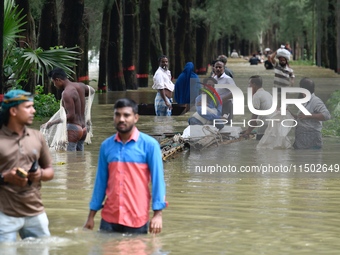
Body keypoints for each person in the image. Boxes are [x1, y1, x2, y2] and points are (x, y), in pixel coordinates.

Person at [83, 98, 167, 234]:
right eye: (117, 115)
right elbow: (100, 182)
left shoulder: (150, 145)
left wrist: (158, 215)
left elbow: (158, 181)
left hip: (136, 218)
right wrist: (91, 216)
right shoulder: (106, 146)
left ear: (136, 118)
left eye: (126, 115)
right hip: (109, 218)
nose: (121, 119)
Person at [0, 90, 54, 242]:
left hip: (35, 212)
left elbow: (50, 171)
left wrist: (40, 175)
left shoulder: (37, 137)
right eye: (28, 107)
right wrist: (5, 177)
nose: (33, 111)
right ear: (13, 111)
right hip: (4, 214)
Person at [41, 68, 95, 151]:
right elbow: (92, 90)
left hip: (74, 128)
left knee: (71, 160)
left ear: (58, 80)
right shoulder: (81, 86)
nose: (54, 85)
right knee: (80, 158)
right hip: (83, 128)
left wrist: (50, 123)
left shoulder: (66, 93)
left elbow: (70, 115)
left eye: (54, 82)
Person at [291, 78, 331, 149]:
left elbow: (327, 115)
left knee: (312, 158)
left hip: (311, 142)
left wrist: (309, 116)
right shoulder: (305, 101)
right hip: (302, 142)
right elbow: (301, 118)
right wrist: (288, 113)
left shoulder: (315, 101)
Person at [241, 76, 273, 140]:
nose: (248, 86)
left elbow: (255, 116)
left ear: (254, 85)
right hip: (272, 126)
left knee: (259, 148)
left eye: (249, 84)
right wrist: (249, 129)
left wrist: (248, 131)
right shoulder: (268, 94)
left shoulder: (257, 95)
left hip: (264, 127)